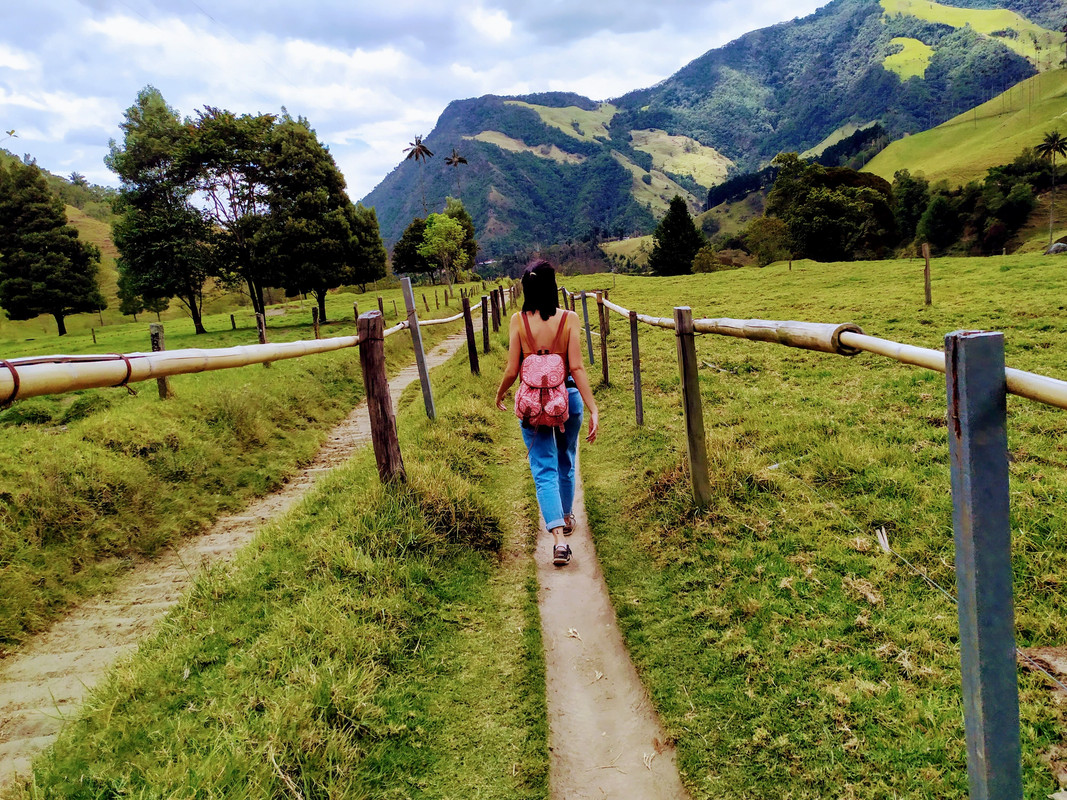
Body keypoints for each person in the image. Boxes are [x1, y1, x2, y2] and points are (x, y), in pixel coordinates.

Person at [495, 259, 599, 566]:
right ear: (553, 286)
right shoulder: (569, 319)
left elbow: (513, 368)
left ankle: (558, 540)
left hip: (531, 405)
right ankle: (566, 516)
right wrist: (593, 407)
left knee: (543, 469)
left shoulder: (518, 321)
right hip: (567, 400)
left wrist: (500, 393)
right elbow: (577, 367)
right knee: (567, 459)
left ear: (526, 287)